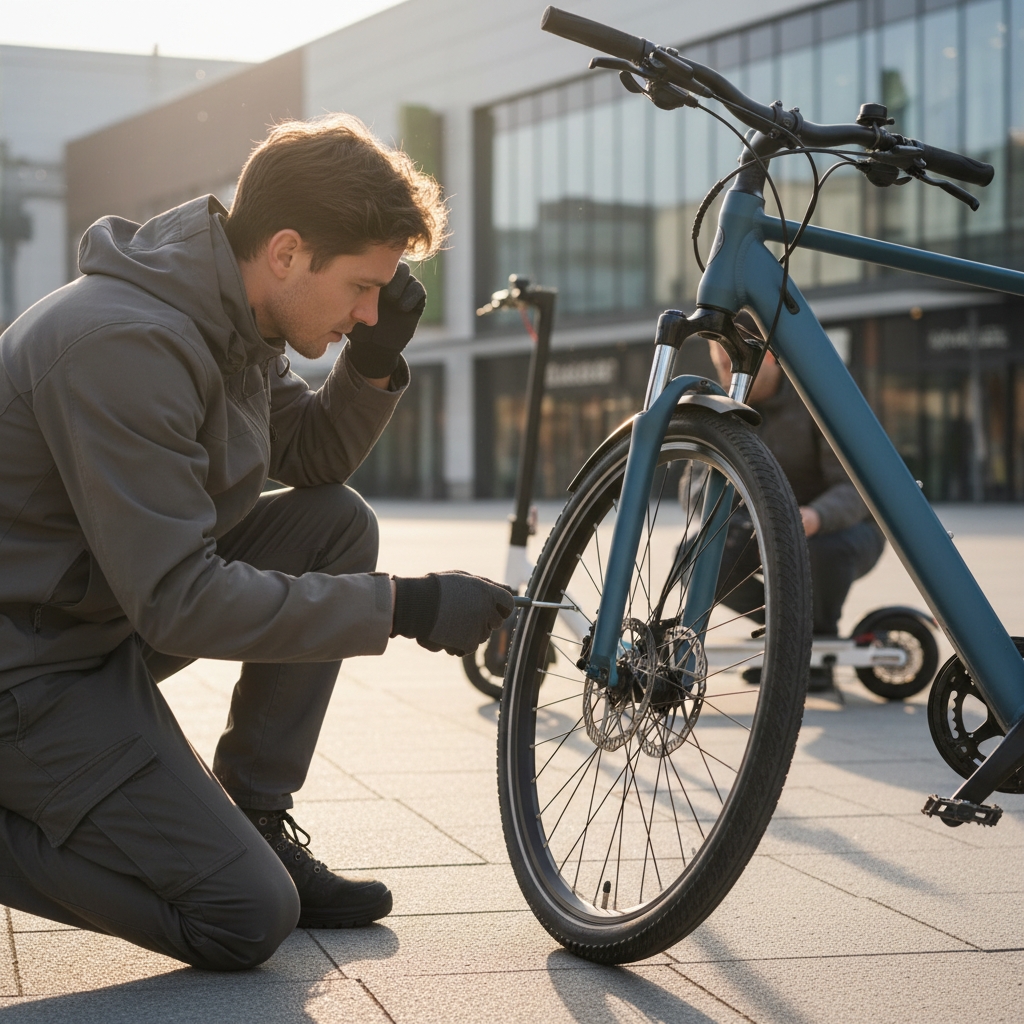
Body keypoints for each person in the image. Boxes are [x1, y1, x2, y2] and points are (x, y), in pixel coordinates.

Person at [0, 115, 514, 970]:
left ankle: (257, 815)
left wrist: (375, 359)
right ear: (285, 252)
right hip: (27, 672)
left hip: (95, 624)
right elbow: (179, 603)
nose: (366, 309)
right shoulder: (127, 342)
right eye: (360, 287)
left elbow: (311, 458)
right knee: (241, 915)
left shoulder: (234, 324)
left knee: (335, 522)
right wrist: (407, 607)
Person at [704, 325, 885, 693]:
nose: (726, 377)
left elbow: (856, 486)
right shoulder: (726, 405)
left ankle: (817, 643)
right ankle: (788, 633)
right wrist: (742, 520)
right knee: (696, 556)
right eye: (720, 366)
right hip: (761, 525)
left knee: (816, 549)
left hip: (840, 528)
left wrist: (815, 516)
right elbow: (697, 487)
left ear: (768, 354)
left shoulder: (818, 400)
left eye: (732, 365)